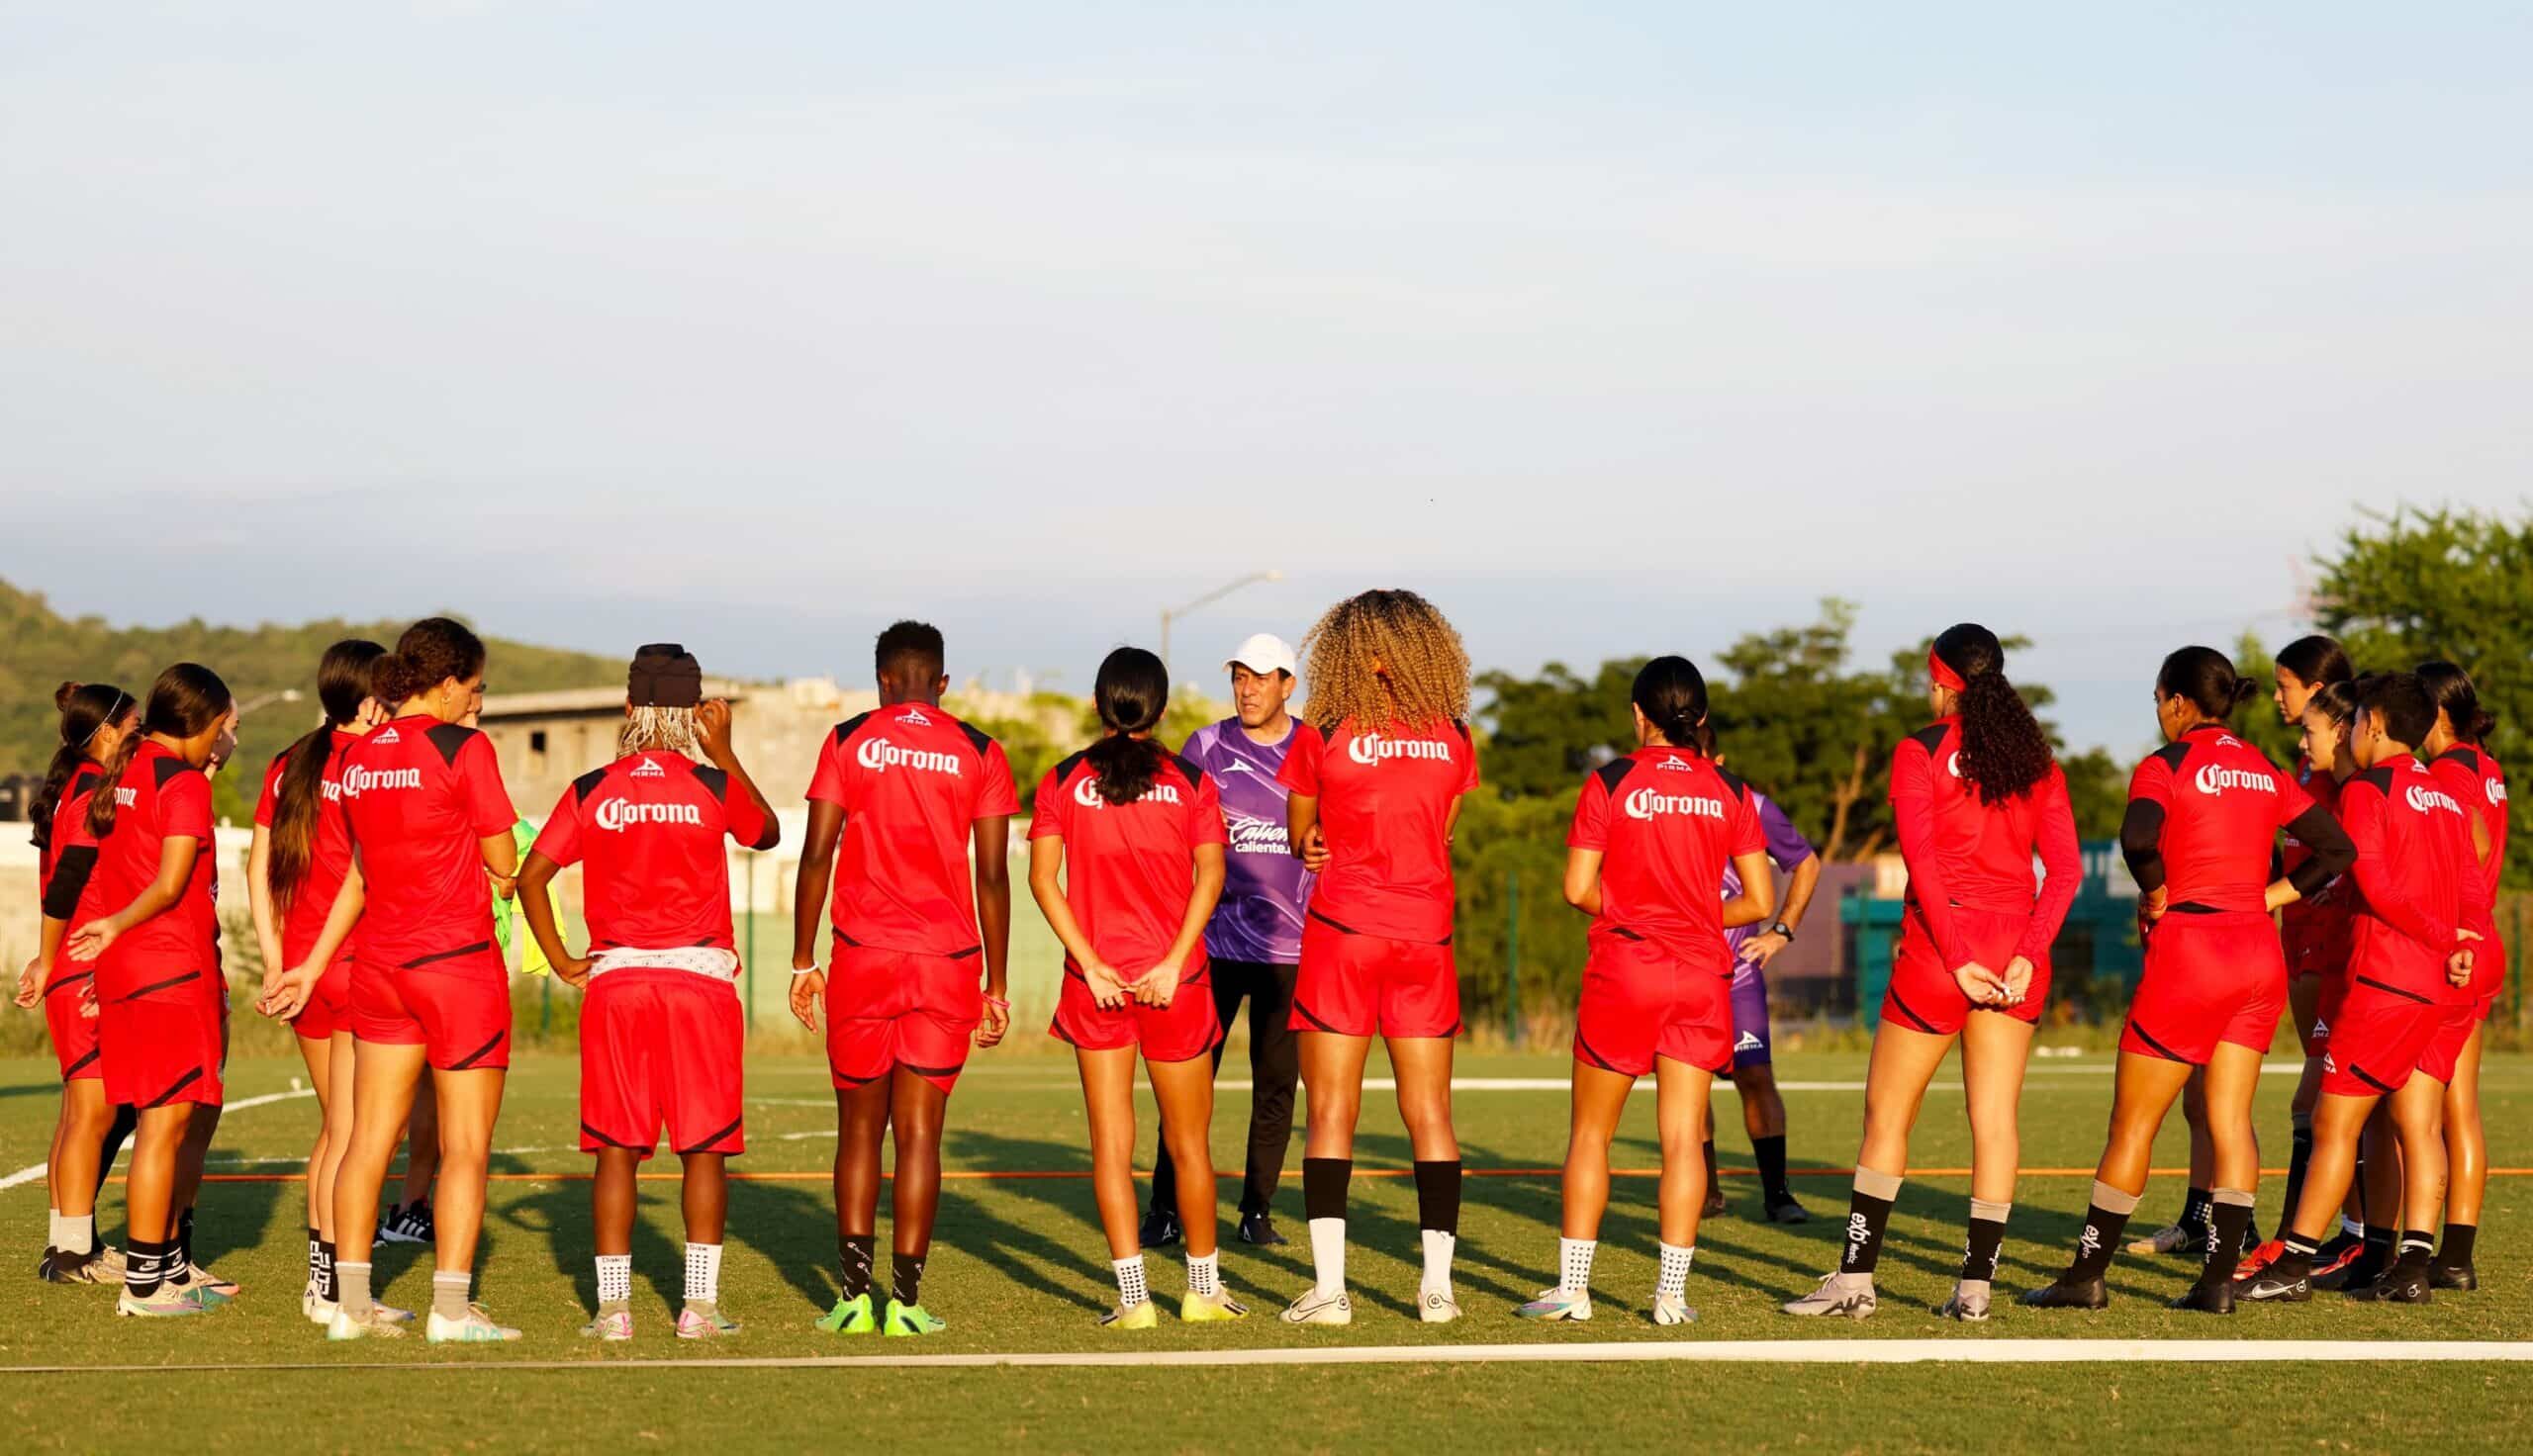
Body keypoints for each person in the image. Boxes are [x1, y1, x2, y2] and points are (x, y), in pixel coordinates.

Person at [2023, 648, 2353, 1313]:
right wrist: (2273, 897)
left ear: (2178, 701)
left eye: (2157, 701)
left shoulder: (2165, 763)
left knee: (2133, 1127)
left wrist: (2157, 892)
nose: (2158, 713)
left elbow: (2138, 838)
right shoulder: (2262, 765)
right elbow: (2339, 848)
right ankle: (2217, 1283)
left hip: (2191, 953)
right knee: (2233, 1121)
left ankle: (2085, 1277)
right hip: (2258, 955)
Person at [1784, 624, 2079, 1322]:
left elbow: (1922, 861)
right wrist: (2025, 954)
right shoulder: (2039, 761)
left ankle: (1855, 1281)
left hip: (1940, 957)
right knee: (1995, 1121)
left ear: (1944, 679)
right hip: (2013, 959)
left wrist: (1956, 958)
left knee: (1887, 1116)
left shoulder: (1919, 749)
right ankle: (1974, 1290)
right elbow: (2063, 873)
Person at [516, 645, 781, 1341]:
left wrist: (562, 958)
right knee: (705, 1149)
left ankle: (613, 1311)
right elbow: (767, 833)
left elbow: (531, 877)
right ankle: (699, 1307)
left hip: (618, 984)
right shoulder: (712, 786)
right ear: (695, 713)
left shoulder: (592, 787)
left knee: (614, 1149)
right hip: (699, 985)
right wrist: (724, 753)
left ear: (628, 709)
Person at [275, 617, 523, 1342]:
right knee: (467, 1145)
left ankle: (351, 1307)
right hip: (454, 967)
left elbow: (357, 872)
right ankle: (450, 1309)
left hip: (377, 965)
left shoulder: (357, 756)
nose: (475, 701)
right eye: (473, 688)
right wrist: (511, 879)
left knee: (366, 1141)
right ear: (445, 684)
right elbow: (503, 859)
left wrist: (312, 965)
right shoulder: (463, 746)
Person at [1515, 657, 1775, 1327]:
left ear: (1638, 714)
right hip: (1699, 978)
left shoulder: (1611, 781)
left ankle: (1573, 1291)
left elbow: (1577, 889)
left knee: (1591, 1135)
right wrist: (1687, 911)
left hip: (1625, 973)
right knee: (1684, 1141)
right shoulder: (1730, 789)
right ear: (1702, 716)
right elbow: (1759, 900)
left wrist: (1640, 908)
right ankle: (1672, 1297)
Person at [791, 620, 1017, 1337]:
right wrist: (997, 984)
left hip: (862, 958)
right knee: (920, 1136)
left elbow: (816, 854)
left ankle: (854, 1300)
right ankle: (908, 1304)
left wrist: (803, 960)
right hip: (947, 965)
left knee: (859, 1130)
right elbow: (991, 874)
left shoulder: (847, 738)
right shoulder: (981, 750)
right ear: (942, 683)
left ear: (881, 679)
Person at [2240, 672, 2481, 1305]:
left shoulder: (2370, 790)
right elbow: (2473, 885)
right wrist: (2466, 941)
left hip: (2387, 979)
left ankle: (2294, 1262)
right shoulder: (2449, 796)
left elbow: (2371, 880)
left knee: (2334, 1120)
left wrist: (2437, 937)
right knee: (2415, 1123)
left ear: (2372, 723)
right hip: (2436, 986)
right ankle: (2410, 1266)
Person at [1275, 589, 1478, 1326]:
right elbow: (1444, 827)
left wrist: (1319, 842)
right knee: (1431, 1113)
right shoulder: (1455, 734)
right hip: (1425, 935)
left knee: (1331, 1112)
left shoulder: (1320, 730)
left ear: (1353, 648)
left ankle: (1330, 1292)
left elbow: (1304, 833)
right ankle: (1438, 1291)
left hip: (1343, 933)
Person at [1029, 647, 1246, 1328]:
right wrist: (1174, 961)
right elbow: (1211, 878)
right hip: (1173, 986)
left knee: (1111, 1149)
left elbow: (1042, 880)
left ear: (1100, 704)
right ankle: (1203, 1292)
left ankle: (1133, 1303)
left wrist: (1091, 963)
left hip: (1097, 990)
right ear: (1160, 705)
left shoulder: (1062, 780)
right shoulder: (1190, 781)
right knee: (1190, 1147)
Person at [64, 665, 237, 1318]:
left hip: (128, 973)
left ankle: (159, 1273)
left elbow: (109, 870)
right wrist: (114, 926)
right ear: (205, 721)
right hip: (171, 969)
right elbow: (168, 885)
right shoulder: (181, 780)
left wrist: (105, 944)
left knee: (153, 1127)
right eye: (222, 723)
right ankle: (145, 1285)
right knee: (164, 1130)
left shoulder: (127, 769)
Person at [1143, 632, 1312, 1251]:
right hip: (1212, 946)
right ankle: (1163, 1208)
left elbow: (1335, 826)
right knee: (1187, 1083)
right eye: (1239, 675)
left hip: (1290, 951)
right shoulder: (1206, 745)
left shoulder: (1313, 746)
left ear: (1287, 685)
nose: (1246, 688)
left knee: (1276, 1086)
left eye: (1261, 677)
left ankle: (1257, 1211)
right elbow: (1177, 829)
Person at [247, 640, 390, 1323]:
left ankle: (321, 1282)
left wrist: (279, 962)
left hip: (304, 967)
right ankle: (338, 1289)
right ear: (368, 698)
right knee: (356, 1133)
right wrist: (310, 963)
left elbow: (256, 870)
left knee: (335, 1130)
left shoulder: (287, 761)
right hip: (353, 963)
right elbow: (361, 881)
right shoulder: (371, 764)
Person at [18, 682, 141, 1285]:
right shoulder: (93, 789)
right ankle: (72, 1256)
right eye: (136, 729)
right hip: (83, 969)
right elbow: (67, 883)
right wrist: (48, 960)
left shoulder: (71, 787)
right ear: (109, 733)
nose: (143, 739)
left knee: (78, 1115)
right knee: (92, 1115)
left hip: (74, 965)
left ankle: (67, 1245)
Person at [1696, 723, 1822, 1226]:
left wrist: (1781, 932)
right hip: (1683, 969)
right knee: (1688, 1083)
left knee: (1755, 1076)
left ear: (1720, 761)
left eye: (1702, 763)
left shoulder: (1751, 805)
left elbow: (1806, 863)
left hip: (1739, 974)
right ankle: (1705, 1192)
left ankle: (1777, 1193)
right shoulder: (1660, 802)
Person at [2416, 661, 2506, 1291]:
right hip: (2487, 939)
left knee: (2421, 1114)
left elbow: (2469, 845)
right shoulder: (2487, 766)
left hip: (2455, 946)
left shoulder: (2447, 769)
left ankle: (2417, 1252)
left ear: (2437, 714)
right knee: (2461, 1109)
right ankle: (2456, 1257)